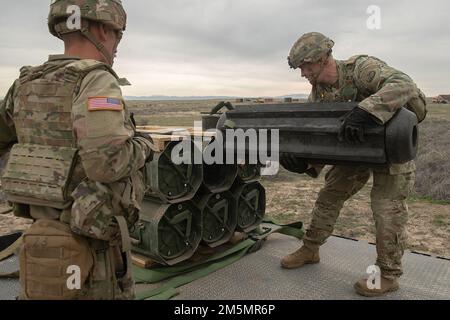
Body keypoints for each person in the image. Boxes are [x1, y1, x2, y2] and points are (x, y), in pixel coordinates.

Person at [0, 0, 155, 300]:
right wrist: (144, 146)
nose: (117, 44)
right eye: (117, 34)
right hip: (93, 250)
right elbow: (106, 163)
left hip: (43, 240)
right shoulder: (95, 78)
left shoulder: (25, 83)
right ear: (100, 28)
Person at [280, 32, 427, 297]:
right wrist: (301, 162)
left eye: (306, 65)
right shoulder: (319, 96)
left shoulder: (362, 69)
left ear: (323, 58)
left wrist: (366, 111)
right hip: (355, 150)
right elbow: (319, 143)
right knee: (329, 196)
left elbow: (405, 84)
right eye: (299, 67)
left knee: (386, 209)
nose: (303, 73)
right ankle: (310, 248)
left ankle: (388, 273)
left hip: (393, 146)